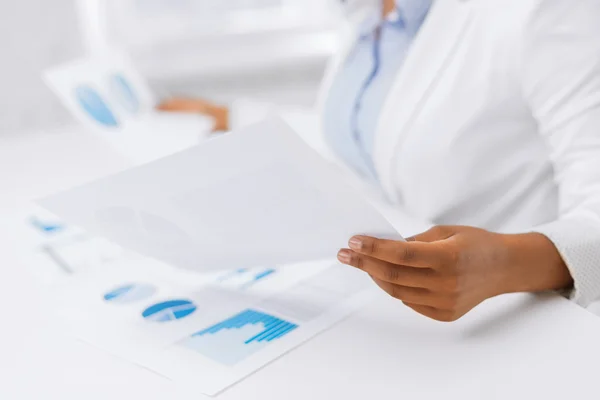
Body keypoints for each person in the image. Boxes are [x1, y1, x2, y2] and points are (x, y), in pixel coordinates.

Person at [157, 0, 600, 322]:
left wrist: (503, 263)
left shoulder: (547, 12)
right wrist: (233, 116)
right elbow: (371, 136)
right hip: (398, 312)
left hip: (520, 317)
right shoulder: (371, 16)